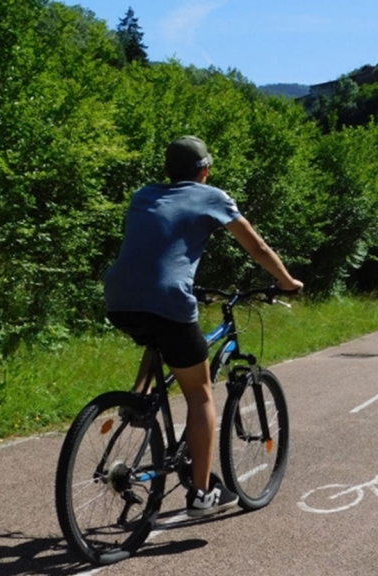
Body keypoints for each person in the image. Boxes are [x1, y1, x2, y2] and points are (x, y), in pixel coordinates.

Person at [103, 135, 303, 518]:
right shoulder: (211, 196)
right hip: (167, 298)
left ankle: (139, 400)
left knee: (159, 334)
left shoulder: (144, 194)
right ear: (205, 171)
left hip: (119, 299)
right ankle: (200, 493)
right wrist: (286, 280)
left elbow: (156, 245)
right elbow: (257, 248)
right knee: (201, 394)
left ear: (167, 170)